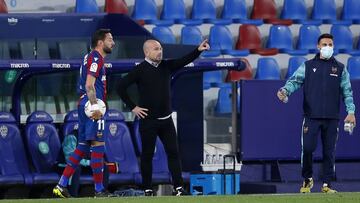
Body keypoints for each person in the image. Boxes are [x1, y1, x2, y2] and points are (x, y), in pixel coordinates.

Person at [117, 39, 210, 196]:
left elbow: (183, 60)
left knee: (174, 153)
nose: (159, 51)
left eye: (160, 48)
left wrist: (198, 50)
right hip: (148, 122)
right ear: (146, 52)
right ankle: (147, 189)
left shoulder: (166, 66)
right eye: (155, 49)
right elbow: (120, 87)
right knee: (147, 155)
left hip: (166, 120)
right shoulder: (140, 70)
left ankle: (178, 188)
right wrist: (133, 107)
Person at [277, 33, 356, 193]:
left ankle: (327, 184)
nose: (328, 47)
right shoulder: (307, 66)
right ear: (318, 46)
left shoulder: (341, 68)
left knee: (329, 152)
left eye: (330, 44)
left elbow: (347, 91)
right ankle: (307, 179)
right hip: (311, 117)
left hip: (332, 118)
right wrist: (285, 90)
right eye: (325, 44)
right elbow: (294, 81)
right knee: (307, 149)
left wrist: (351, 111)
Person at [53, 29, 115, 198]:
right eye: (110, 39)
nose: (113, 42)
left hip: (83, 104)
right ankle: (99, 190)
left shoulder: (89, 57)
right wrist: (95, 106)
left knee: (82, 147)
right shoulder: (96, 57)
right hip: (91, 105)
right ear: (100, 42)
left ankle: (61, 185)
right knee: (98, 146)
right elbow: (89, 85)